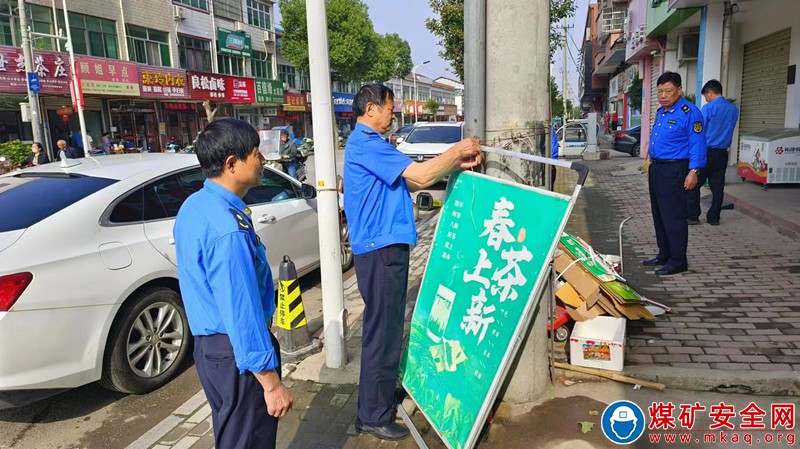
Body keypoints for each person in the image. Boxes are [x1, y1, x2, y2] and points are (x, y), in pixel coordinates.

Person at [344, 83, 481, 440]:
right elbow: (419, 175)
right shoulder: (367, 143)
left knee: (387, 330)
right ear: (371, 109)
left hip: (383, 247)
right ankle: (372, 414)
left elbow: (411, 182)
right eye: (390, 108)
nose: (394, 114)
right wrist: (458, 150)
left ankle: (379, 400)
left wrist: (453, 166)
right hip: (380, 250)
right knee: (382, 331)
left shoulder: (371, 146)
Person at [173, 118, 293, 449]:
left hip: (213, 351)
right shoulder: (227, 229)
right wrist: (270, 383)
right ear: (232, 164)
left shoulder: (196, 205)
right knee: (247, 439)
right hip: (237, 353)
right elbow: (241, 310)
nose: (264, 160)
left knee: (233, 434)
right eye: (257, 153)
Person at [643, 71, 706, 276]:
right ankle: (665, 253)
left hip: (676, 169)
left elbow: (697, 144)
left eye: (668, 91)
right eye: (660, 91)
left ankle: (678, 260)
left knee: (673, 216)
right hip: (658, 168)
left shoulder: (690, 113)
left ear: (679, 90)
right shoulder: (662, 112)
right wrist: (650, 164)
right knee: (659, 214)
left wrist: (694, 171)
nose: (663, 95)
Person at [687, 79, 740, 226]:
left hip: (706, 152)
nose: (706, 98)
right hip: (722, 154)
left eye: (706, 95)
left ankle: (692, 216)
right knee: (717, 187)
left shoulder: (708, 108)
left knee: (694, 184)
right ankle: (714, 217)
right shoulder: (733, 109)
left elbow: (698, 130)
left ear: (710, 92)